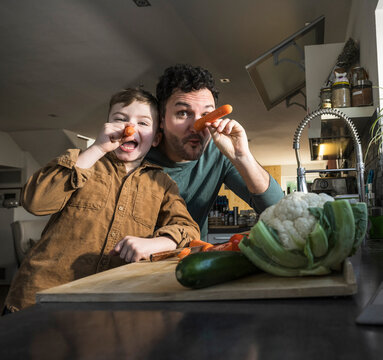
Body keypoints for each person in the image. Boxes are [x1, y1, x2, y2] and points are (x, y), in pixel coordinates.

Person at [3, 88, 199, 313]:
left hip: (108, 304)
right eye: (120, 119)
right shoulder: (80, 161)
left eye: (143, 123)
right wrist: (97, 148)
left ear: (155, 139)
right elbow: (35, 202)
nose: (130, 128)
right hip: (41, 298)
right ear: (105, 127)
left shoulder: (163, 184)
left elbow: (188, 229)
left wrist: (157, 243)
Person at [146, 64, 284, 240]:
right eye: (183, 113)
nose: (197, 126)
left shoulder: (219, 154)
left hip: (195, 260)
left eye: (207, 115)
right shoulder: (138, 155)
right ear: (161, 119)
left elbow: (277, 208)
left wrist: (242, 157)